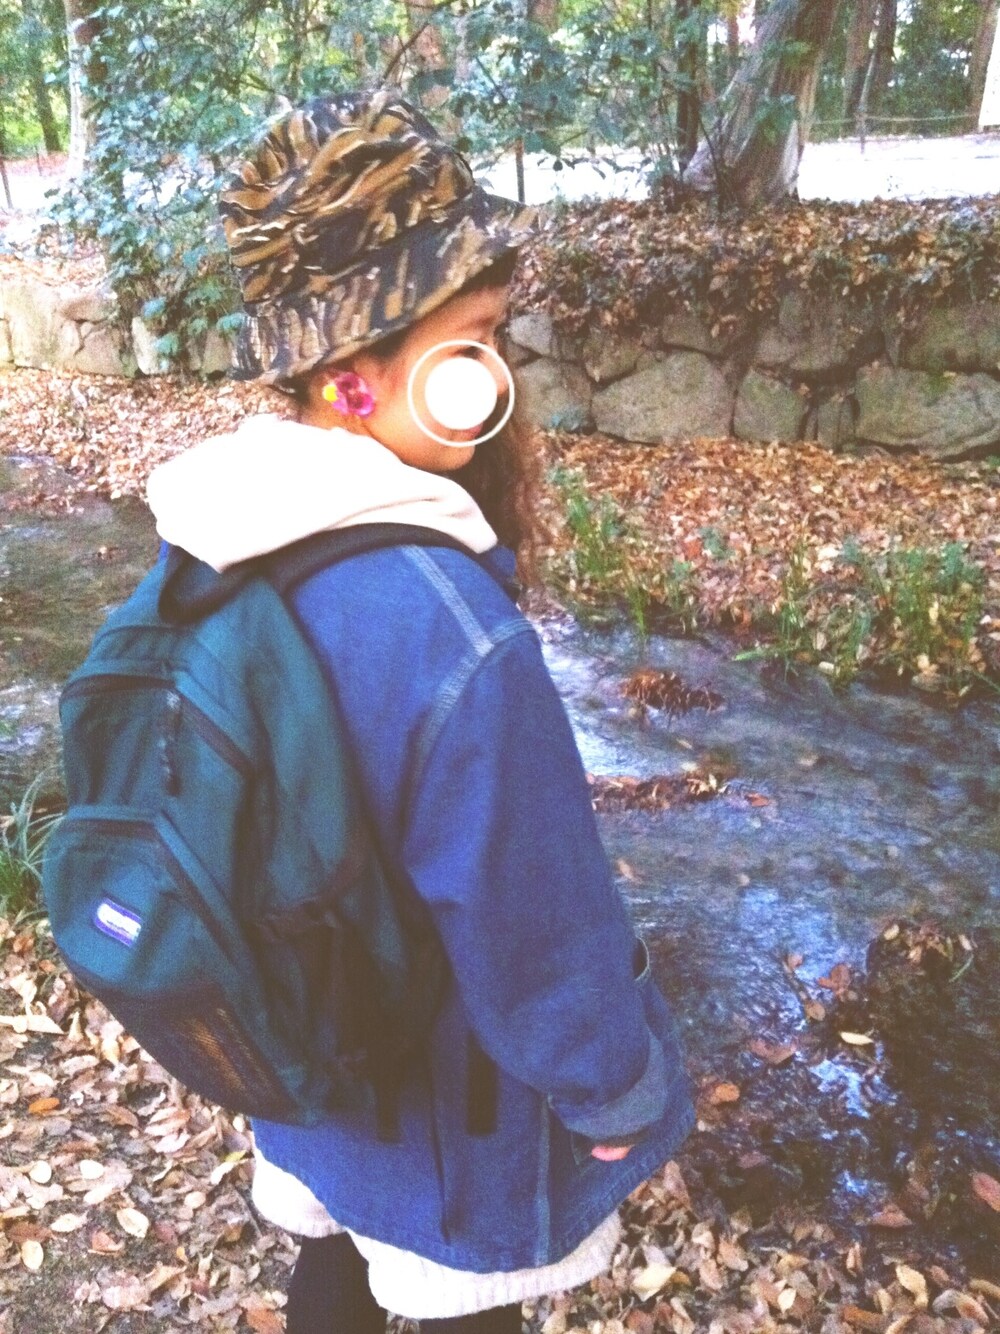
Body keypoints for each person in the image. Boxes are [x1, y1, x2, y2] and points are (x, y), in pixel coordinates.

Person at [146, 88, 695, 1334]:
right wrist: (615, 1089)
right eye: (475, 337)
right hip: (451, 1107)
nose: (498, 372)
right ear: (352, 378)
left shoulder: (209, 541)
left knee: (335, 1264)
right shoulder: (452, 629)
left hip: (306, 1051)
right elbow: (531, 911)